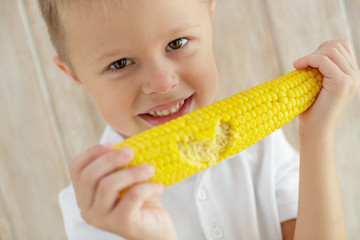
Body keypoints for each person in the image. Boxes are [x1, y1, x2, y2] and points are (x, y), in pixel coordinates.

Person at [38, 0, 360, 239]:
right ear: (75, 76)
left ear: (209, 14)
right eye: (120, 63)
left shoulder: (264, 149)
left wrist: (317, 135)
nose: (162, 83)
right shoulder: (93, 209)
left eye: (176, 44)